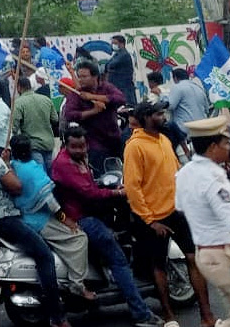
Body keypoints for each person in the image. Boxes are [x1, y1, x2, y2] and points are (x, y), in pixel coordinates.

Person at [51, 126, 162, 327]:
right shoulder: (64, 164)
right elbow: (89, 193)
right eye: (74, 147)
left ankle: (96, 305)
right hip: (82, 219)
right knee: (118, 260)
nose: (80, 150)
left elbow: (91, 187)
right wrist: (118, 193)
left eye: (82, 146)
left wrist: (110, 187)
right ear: (66, 145)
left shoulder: (78, 160)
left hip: (86, 213)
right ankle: (141, 314)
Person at [0, 123, 69, 327]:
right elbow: (16, 187)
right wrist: (6, 166)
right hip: (4, 218)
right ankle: (57, 317)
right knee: (44, 255)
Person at [124, 99, 216, 327]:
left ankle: (207, 316)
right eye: (157, 113)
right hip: (153, 217)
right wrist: (150, 220)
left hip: (177, 210)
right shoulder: (134, 146)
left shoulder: (164, 140)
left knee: (193, 257)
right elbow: (133, 187)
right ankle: (169, 316)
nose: (163, 116)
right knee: (159, 265)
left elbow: (176, 173)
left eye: (162, 112)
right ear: (146, 118)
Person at [175, 115, 230, 327]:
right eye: (226, 143)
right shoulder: (214, 178)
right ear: (212, 147)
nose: (229, 147)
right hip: (226, 255)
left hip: (207, 254)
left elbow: (183, 207)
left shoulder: (184, 173)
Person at [9, 136, 93, 301]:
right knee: (79, 238)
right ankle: (77, 284)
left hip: (22, 217)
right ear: (31, 150)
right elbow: (51, 203)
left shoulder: (12, 167)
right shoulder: (33, 170)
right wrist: (65, 219)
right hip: (38, 220)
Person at [61, 60, 125, 172]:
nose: (80, 80)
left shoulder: (106, 87)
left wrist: (92, 97)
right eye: (79, 76)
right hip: (94, 143)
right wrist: (94, 111)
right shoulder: (77, 94)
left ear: (95, 76)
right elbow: (70, 115)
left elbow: (120, 99)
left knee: (121, 173)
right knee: (101, 174)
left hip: (114, 139)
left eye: (84, 76)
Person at [12, 76, 59, 171]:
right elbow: (55, 119)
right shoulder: (46, 99)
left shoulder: (19, 103)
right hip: (48, 142)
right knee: (51, 172)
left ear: (19, 87)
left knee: (40, 172)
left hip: (32, 144)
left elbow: (14, 127)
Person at [165, 68, 211, 133]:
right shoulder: (199, 88)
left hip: (185, 130)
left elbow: (170, 106)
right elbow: (207, 109)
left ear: (175, 78)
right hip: (202, 128)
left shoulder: (178, 87)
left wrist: (161, 96)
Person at [106, 35, 137, 106]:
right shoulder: (116, 55)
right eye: (112, 43)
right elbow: (107, 65)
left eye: (115, 43)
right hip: (118, 87)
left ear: (122, 44)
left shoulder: (124, 55)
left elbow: (110, 65)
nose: (113, 45)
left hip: (124, 88)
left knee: (127, 107)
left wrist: (109, 66)